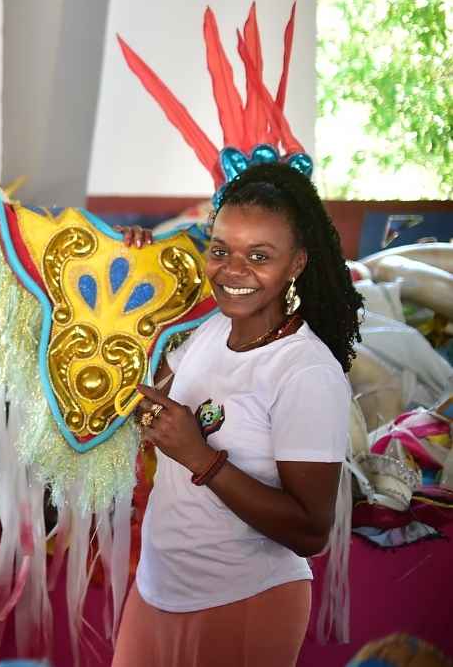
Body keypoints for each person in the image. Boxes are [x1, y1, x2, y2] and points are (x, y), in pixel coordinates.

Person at [110, 163, 364, 666]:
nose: (233, 270)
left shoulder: (305, 372)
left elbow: (311, 532)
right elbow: (144, 387)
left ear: (296, 264)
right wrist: (129, 273)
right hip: (158, 589)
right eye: (221, 250)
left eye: (260, 256)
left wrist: (200, 458)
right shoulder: (212, 332)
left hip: (245, 602)